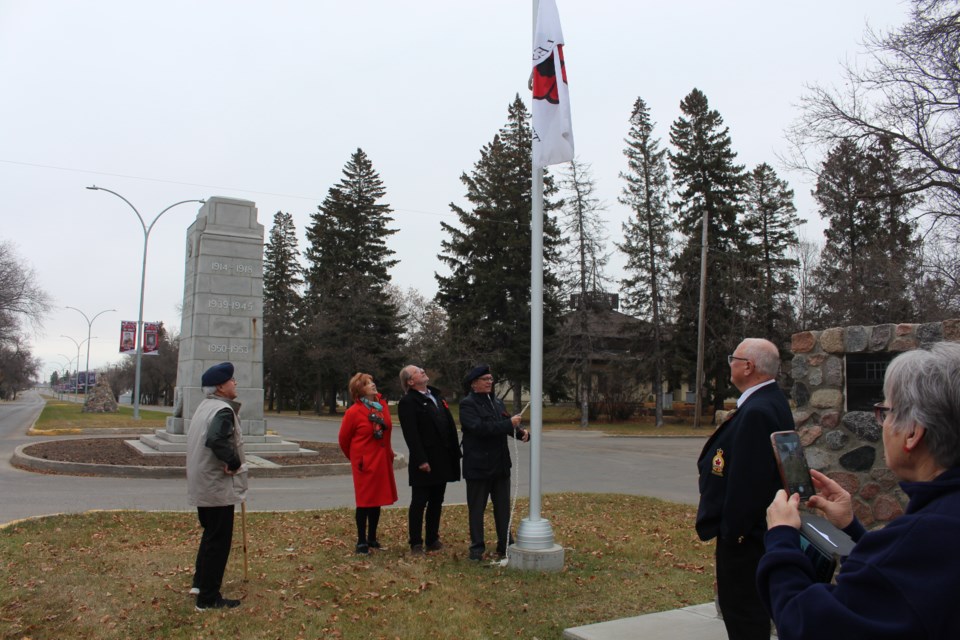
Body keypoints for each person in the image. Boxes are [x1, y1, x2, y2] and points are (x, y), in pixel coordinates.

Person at [758, 341, 960, 639]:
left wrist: (781, 539)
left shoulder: (931, 535)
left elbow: (808, 625)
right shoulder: (938, 524)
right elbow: (896, 591)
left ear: (913, 432)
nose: (882, 424)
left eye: (886, 412)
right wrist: (851, 529)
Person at [696, 338, 794, 639]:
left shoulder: (757, 411)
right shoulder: (768, 401)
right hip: (754, 536)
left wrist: (731, 534)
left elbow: (748, 482)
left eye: (733, 359)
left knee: (744, 615)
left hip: (745, 542)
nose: (730, 364)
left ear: (748, 366)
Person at [186, 361, 247, 611]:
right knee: (218, 541)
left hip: (203, 482)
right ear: (221, 387)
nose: (235, 383)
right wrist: (233, 462)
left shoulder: (205, 407)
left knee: (210, 535)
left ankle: (200, 583)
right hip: (215, 485)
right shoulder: (222, 410)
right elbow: (216, 439)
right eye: (232, 380)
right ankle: (208, 598)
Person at [459, 364, 529, 561]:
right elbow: (480, 428)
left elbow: (505, 425)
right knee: (477, 509)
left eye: (491, 379)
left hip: (499, 465)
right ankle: (476, 549)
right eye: (485, 379)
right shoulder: (467, 404)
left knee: (502, 507)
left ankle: (505, 543)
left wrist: (521, 433)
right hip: (478, 466)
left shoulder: (497, 403)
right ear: (474, 384)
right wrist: (508, 424)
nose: (490, 382)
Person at [397, 365, 462, 554]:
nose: (423, 370)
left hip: (443, 458)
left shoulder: (436, 396)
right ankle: (416, 542)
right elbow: (412, 435)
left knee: (437, 500)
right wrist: (421, 460)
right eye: (418, 370)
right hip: (424, 460)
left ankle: (432, 539)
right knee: (420, 501)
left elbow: (448, 424)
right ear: (410, 381)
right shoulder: (408, 402)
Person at [338, 372, 398, 554]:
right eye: (367, 383)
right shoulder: (353, 412)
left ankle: (372, 538)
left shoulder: (381, 407)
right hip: (364, 464)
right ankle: (361, 541)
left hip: (381, 460)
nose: (372, 385)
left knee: (377, 500)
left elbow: (387, 431)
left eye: (372, 381)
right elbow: (343, 440)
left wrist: (388, 452)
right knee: (364, 502)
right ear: (359, 390)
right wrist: (357, 459)